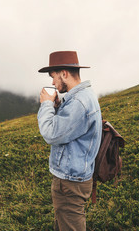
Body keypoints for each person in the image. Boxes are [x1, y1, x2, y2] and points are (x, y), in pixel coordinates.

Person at [37, 51, 102, 230]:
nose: (52, 83)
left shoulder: (78, 103)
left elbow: (50, 133)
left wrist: (47, 104)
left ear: (64, 74)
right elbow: (70, 128)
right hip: (75, 176)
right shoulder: (83, 96)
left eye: (53, 77)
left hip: (70, 181)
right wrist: (58, 106)